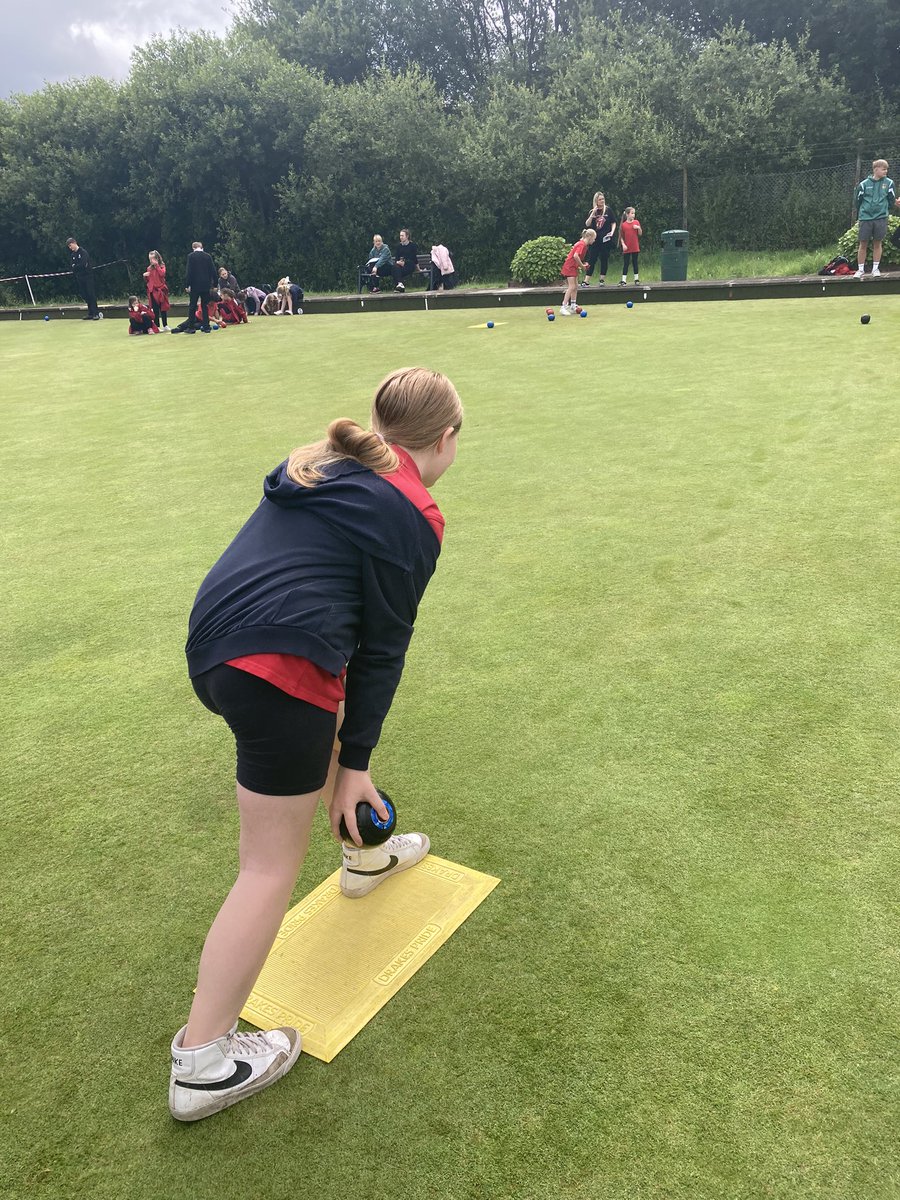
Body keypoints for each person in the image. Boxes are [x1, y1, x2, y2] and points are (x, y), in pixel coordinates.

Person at [170, 367, 463, 1122]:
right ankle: (203, 1063)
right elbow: (381, 651)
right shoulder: (413, 511)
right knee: (267, 867)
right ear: (446, 440)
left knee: (319, 722)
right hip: (276, 668)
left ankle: (364, 853)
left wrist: (349, 771)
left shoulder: (323, 462)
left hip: (215, 646)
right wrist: (355, 763)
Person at [854, 158, 899, 278]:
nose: (885, 171)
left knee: (877, 243)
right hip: (865, 218)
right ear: (876, 169)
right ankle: (860, 270)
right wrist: (863, 212)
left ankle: (875, 269)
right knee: (863, 243)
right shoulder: (863, 184)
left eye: (886, 169)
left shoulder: (889, 183)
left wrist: (884, 210)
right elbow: (858, 201)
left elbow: (891, 199)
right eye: (883, 169)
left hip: (881, 217)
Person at [581, 191, 617, 286]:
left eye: (603, 199)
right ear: (596, 201)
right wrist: (592, 214)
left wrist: (612, 232)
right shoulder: (592, 211)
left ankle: (602, 280)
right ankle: (586, 280)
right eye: (600, 199)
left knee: (604, 259)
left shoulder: (608, 210)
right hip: (594, 240)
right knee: (592, 259)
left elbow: (613, 222)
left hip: (605, 238)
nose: (602, 201)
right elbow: (587, 224)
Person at [559, 229, 596, 314]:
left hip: (573, 266)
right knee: (571, 287)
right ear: (589, 237)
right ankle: (563, 306)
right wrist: (582, 266)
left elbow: (577, 257)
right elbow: (575, 256)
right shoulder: (581, 244)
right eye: (594, 238)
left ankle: (573, 305)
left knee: (575, 286)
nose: (594, 241)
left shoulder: (583, 244)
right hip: (570, 266)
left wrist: (582, 264)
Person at [185, 241, 218, 331]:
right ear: (202, 247)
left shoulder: (191, 256)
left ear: (193, 248)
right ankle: (206, 327)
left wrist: (187, 284)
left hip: (195, 285)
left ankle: (191, 328)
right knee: (204, 306)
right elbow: (213, 271)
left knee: (192, 306)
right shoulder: (207, 256)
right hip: (206, 285)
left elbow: (189, 272)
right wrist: (215, 284)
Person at [65, 237, 101, 320]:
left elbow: (83, 264)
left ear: (74, 243)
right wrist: (76, 267)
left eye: (70, 246)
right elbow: (72, 266)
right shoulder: (73, 255)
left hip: (88, 277)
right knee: (84, 295)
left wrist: (76, 267)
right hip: (79, 277)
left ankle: (96, 313)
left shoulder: (83, 252)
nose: (70, 248)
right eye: (69, 247)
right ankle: (90, 313)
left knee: (91, 294)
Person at [144, 251, 170, 331]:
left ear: (157, 258)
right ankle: (157, 326)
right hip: (153, 291)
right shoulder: (149, 268)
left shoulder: (162, 266)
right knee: (155, 309)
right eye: (150, 259)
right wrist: (145, 277)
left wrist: (157, 265)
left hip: (161, 290)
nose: (151, 260)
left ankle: (165, 325)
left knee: (163, 308)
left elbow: (162, 274)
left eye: (153, 258)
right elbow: (149, 281)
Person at [619, 207, 642, 285]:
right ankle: (623, 280)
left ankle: (636, 279)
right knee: (626, 263)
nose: (633, 215)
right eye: (632, 213)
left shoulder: (636, 222)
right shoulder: (623, 225)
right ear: (627, 214)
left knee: (635, 262)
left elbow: (640, 234)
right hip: (627, 248)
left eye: (634, 213)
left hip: (635, 247)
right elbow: (621, 237)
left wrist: (638, 228)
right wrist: (623, 244)